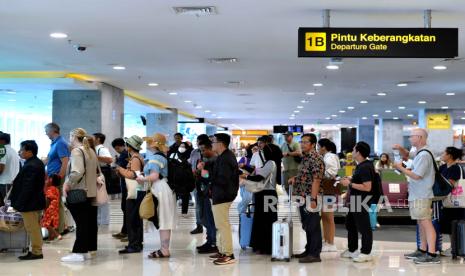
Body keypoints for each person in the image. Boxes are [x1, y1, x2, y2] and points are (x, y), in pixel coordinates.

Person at [393, 128, 440, 264]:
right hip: (417, 193)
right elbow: (408, 156)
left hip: (422, 193)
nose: (409, 138)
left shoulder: (424, 154)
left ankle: (431, 254)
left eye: (411, 136)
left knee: (426, 222)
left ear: (419, 137)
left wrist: (400, 168)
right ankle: (422, 250)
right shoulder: (420, 152)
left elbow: (417, 175)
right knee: (421, 222)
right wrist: (401, 150)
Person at [61, 128, 99, 263]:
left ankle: (79, 252)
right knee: (87, 223)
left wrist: (67, 184)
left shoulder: (77, 151)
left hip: (79, 192)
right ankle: (87, 249)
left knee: (81, 223)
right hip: (90, 192)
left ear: (73, 137)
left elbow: (77, 171)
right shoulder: (90, 151)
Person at [137, 133, 176, 259]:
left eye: (149, 141)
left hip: (160, 189)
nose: (147, 143)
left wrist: (142, 178)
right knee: (164, 219)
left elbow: (154, 176)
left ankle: (164, 250)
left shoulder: (156, 158)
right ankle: (164, 249)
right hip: (163, 188)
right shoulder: (160, 156)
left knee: (163, 220)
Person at [289, 133, 324, 264]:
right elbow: (305, 175)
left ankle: (315, 254)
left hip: (311, 197)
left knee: (313, 225)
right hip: (302, 196)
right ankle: (309, 249)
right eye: (301, 142)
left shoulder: (316, 158)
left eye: (305, 142)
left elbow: (316, 180)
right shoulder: (306, 156)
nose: (302, 144)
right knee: (307, 225)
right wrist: (295, 179)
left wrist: (313, 200)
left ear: (313, 144)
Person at [340, 142, 375, 263]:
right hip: (355, 200)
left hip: (361, 200)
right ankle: (352, 249)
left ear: (358, 152)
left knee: (363, 227)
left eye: (354, 150)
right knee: (350, 224)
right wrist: (351, 178)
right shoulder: (361, 165)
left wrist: (349, 184)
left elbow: (367, 187)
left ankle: (366, 252)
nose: (352, 152)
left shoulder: (365, 167)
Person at [10, 140, 45, 261]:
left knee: (32, 227)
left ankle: (36, 251)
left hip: (30, 202)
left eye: (21, 150)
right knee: (34, 226)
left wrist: (19, 203)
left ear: (29, 151)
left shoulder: (32, 165)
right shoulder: (35, 163)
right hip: (34, 201)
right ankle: (36, 249)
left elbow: (27, 187)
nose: (20, 152)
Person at [240, 144, 278, 255]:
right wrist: (245, 168)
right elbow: (257, 171)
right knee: (263, 220)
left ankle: (267, 246)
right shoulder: (269, 163)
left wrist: (245, 176)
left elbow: (259, 177)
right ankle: (263, 245)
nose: (262, 153)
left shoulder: (271, 163)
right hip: (265, 195)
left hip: (268, 195)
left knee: (267, 220)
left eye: (263, 151)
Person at [208, 133, 239, 265]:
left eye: (213, 142)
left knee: (223, 225)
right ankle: (222, 250)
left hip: (223, 195)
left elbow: (223, 179)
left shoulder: (226, 158)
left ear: (220, 143)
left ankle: (228, 254)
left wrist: (207, 176)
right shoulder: (223, 156)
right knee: (220, 225)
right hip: (221, 194)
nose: (212, 144)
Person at [116, 135, 144, 254]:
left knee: (132, 218)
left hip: (134, 193)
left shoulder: (135, 159)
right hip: (136, 191)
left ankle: (134, 244)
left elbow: (133, 175)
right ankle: (136, 243)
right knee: (135, 218)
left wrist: (120, 169)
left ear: (130, 147)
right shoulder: (136, 157)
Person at [438, 147, 465, 256]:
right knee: (449, 227)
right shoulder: (443, 167)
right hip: (446, 201)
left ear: (450, 155)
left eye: (444, 152)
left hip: (456, 202)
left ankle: (457, 248)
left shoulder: (456, 168)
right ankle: (453, 247)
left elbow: (450, 184)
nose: (442, 154)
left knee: (456, 226)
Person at [44, 122, 70, 235]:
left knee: (57, 203)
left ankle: (60, 229)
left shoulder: (60, 143)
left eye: (46, 131)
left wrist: (60, 176)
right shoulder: (54, 143)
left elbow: (65, 161)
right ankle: (62, 226)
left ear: (52, 131)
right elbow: (50, 159)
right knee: (55, 203)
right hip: (51, 177)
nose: (46, 134)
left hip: (56, 178)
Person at [196, 140, 219, 254]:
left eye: (204, 150)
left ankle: (213, 242)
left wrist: (202, 170)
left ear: (210, 148)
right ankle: (209, 240)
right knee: (206, 218)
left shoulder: (215, 161)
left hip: (211, 193)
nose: (202, 152)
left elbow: (208, 177)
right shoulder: (206, 160)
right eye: (201, 150)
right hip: (204, 192)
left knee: (211, 219)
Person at [317, 138, 340, 252]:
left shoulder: (330, 157)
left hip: (328, 190)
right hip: (325, 190)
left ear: (324, 147)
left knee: (328, 216)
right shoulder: (326, 157)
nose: (317, 149)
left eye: (318, 146)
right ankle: (326, 240)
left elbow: (331, 173)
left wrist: (318, 174)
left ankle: (330, 242)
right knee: (325, 216)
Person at [189, 134, 210, 235]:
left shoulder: (210, 154)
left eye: (200, 141)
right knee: (198, 205)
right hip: (195, 181)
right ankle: (199, 225)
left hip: (206, 182)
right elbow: (191, 164)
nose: (198, 143)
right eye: (197, 141)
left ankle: (210, 227)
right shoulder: (194, 152)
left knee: (207, 205)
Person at [111, 138, 129, 241]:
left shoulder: (126, 155)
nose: (117, 150)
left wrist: (117, 168)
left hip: (128, 185)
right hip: (124, 185)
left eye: (118, 148)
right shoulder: (123, 155)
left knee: (127, 209)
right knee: (124, 208)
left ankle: (128, 233)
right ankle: (124, 231)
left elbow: (122, 170)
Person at [170, 141, 195, 218]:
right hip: (175, 180)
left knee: (185, 197)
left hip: (186, 181)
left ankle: (184, 212)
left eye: (184, 146)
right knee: (174, 197)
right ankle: (173, 212)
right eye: (181, 146)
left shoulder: (190, 156)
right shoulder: (173, 155)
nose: (182, 148)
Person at [93, 133, 113, 226]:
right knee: (99, 196)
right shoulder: (96, 149)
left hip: (103, 173)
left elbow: (109, 160)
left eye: (93, 138)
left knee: (103, 197)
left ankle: (104, 220)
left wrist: (95, 157)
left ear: (98, 139)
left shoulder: (102, 149)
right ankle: (99, 219)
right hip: (98, 173)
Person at [0, 132, 20, 206]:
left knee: (2, 208)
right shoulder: (13, 151)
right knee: (8, 208)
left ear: (2, 141)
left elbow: (1, 168)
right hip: (12, 183)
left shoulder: (2, 150)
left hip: (4, 183)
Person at [41, 175, 62, 242]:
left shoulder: (50, 189)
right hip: (55, 209)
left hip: (50, 209)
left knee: (46, 223)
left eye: (48, 179)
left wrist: (44, 208)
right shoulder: (56, 189)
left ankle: (57, 235)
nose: (46, 181)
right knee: (51, 224)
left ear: (51, 180)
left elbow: (48, 199)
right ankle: (51, 238)